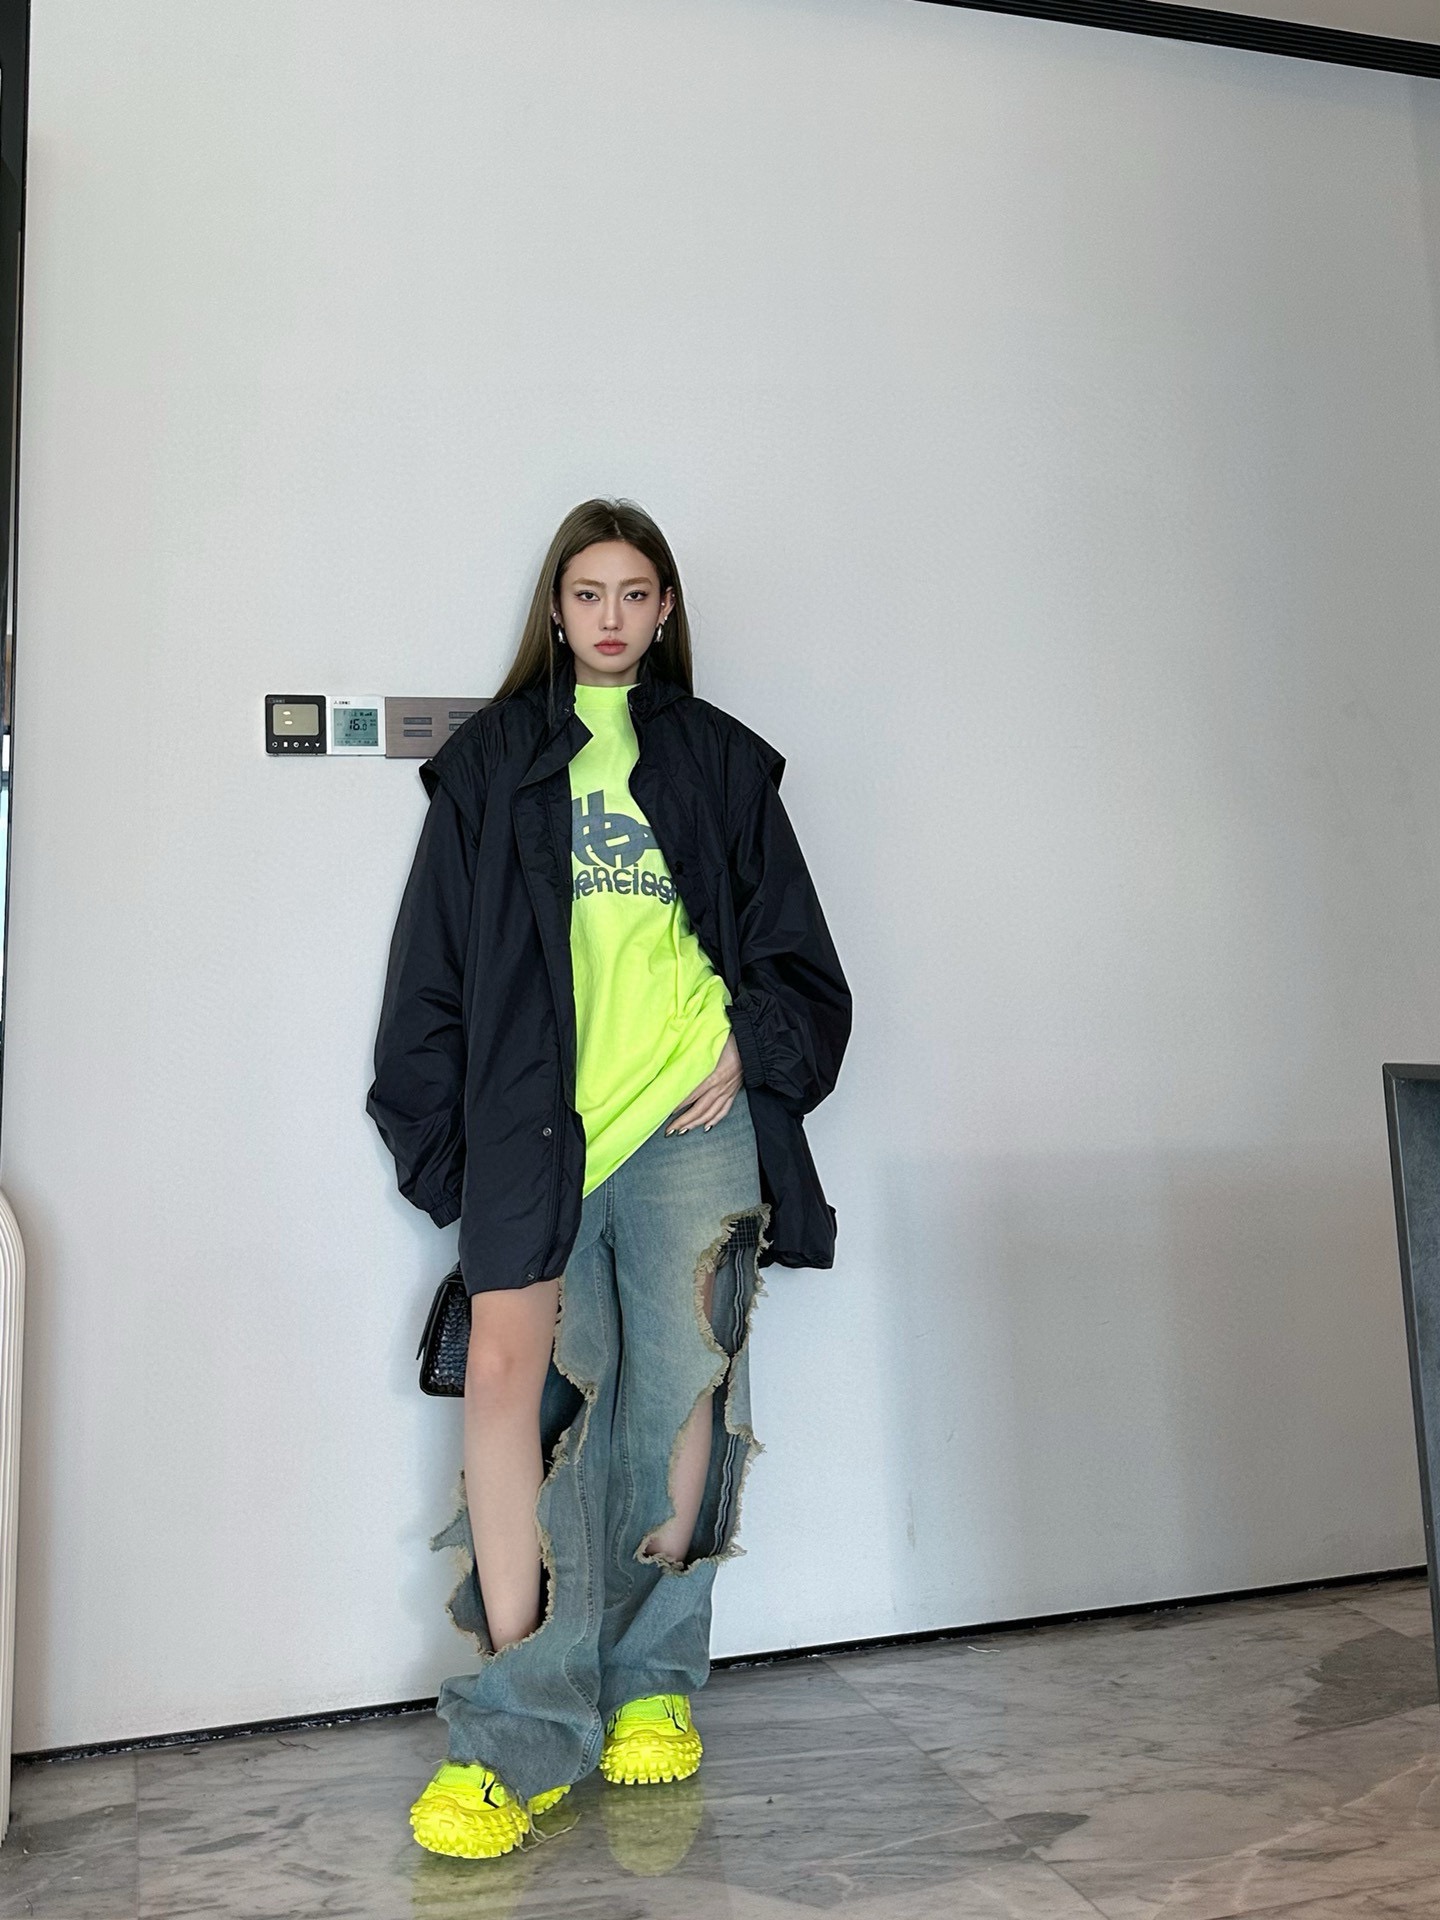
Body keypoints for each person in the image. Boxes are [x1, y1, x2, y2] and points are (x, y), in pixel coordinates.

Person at [366, 498, 851, 1860]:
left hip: (693, 1126)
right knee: (512, 1388)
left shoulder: (719, 761)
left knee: (679, 1394)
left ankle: (651, 1682)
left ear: (666, 608)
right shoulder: (492, 765)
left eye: (637, 594)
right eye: (590, 594)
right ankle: (516, 1726)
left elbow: (800, 961)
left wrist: (749, 1048)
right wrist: (444, 1153)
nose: (613, 618)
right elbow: (430, 975)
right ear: (557, 607)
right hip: (537, 1131)